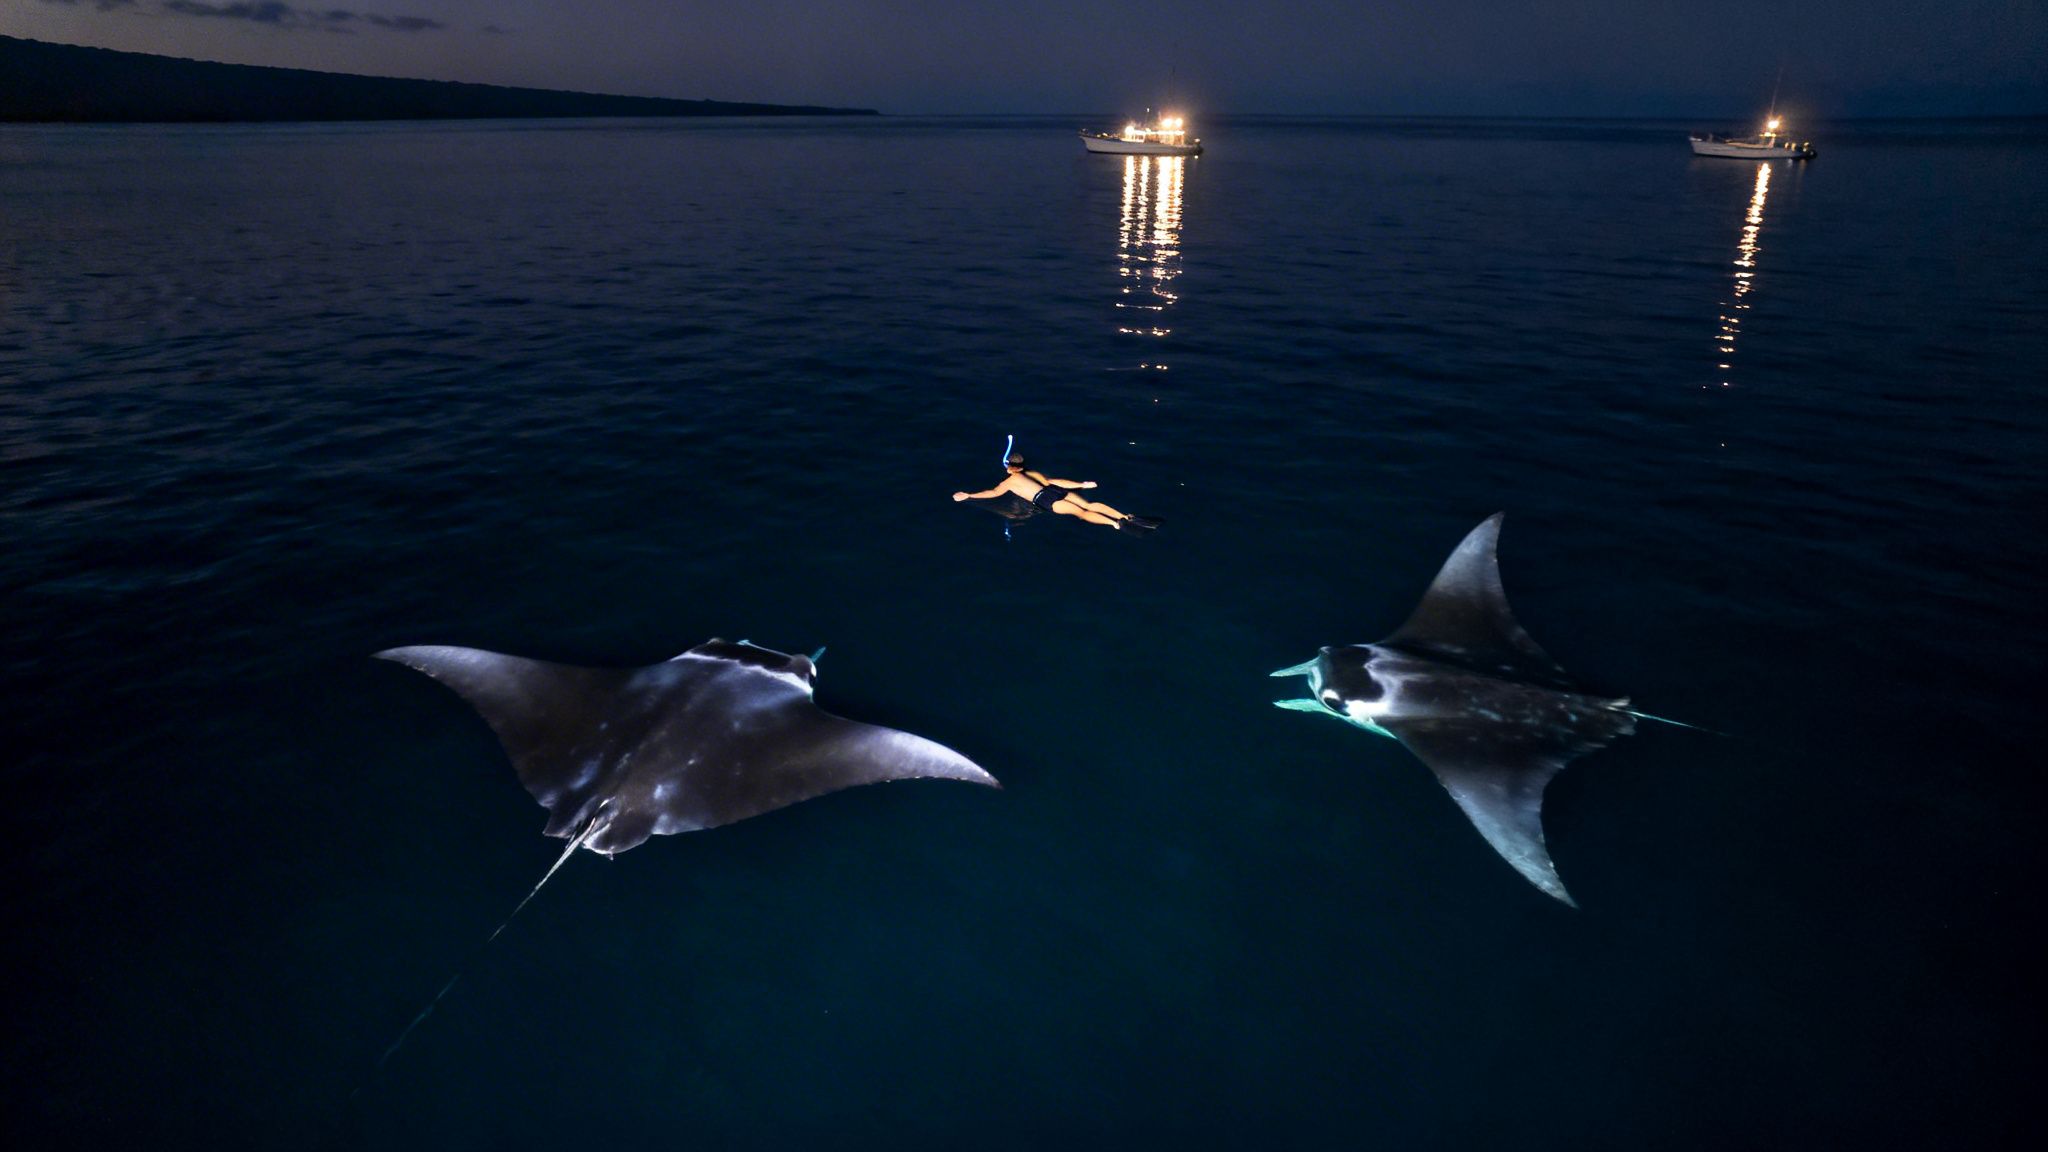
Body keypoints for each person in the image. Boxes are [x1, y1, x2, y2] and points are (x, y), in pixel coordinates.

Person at [953, 452, 1160, 532]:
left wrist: (968, 495)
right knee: (1088, 505)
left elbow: (992, 493)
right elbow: (1054, 481)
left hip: (1043, 500)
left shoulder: (1008, 482)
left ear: (1009, 467)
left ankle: (1115, 523)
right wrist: (1082, 484)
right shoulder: (1032, 473)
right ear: (1021, 465)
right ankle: (1123, 515)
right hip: (1052, 490)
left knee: (1081, 513)